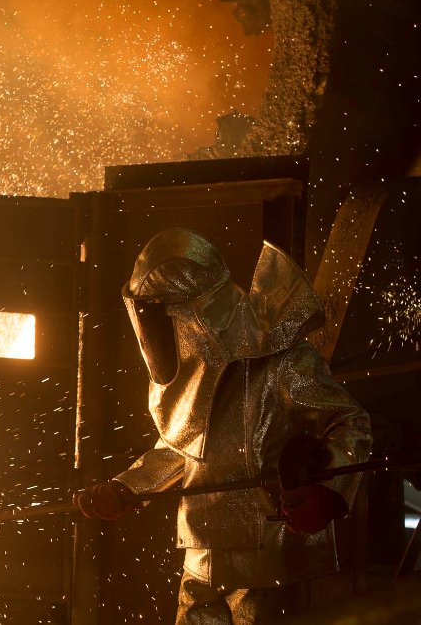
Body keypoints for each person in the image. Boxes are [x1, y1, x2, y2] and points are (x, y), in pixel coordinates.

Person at [74, 228, 372, 624]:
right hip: (200, 556)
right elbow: (184, 446)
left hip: (271, 559)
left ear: (194, 314)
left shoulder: (281, 359)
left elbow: (350, 423)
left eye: (157, 314)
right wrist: (126, 487)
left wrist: (329, 491)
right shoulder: (190, 372)